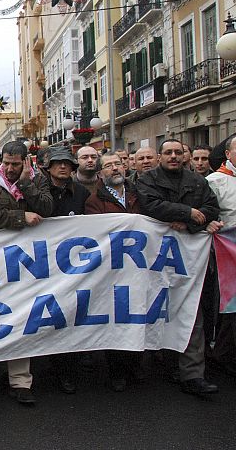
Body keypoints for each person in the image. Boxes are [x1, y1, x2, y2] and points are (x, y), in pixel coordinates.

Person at [137, 139, 222, 397]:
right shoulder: (147, 180)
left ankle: (193, 375)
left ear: (183, 156)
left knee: (190, 314)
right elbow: (151, 206)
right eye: (168, 153)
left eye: (177, 152)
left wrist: (189, 223)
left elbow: (211, 209)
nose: (173, 156)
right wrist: (187, 212)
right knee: (156, 312)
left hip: (188, 261)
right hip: (155, 261)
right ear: (160, 156)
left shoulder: (197, 181)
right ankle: (161, 364)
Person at [0, 140, 53, 405]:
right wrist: (20, 218)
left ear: (25, 163)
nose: (9, 169)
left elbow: (46, 208)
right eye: (6, 163)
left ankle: (21, 381)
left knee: (25, 316)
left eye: (15, 165)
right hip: (1, 263)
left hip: (32, 263)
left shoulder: (37, 181)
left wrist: (25, 183)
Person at [85, 151, 142, 392]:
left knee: (138, 315)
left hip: (137, 265)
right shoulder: (94, 200)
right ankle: (117, 369)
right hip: (111, 268)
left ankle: (136, 366)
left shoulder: (139, 193)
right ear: (100, 173)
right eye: (108, 166)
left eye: (118, 164)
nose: (115, 169)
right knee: (116, 318)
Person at [44, 148, 90, 394]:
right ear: (49, 167)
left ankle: (68, 370)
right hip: (45, 265)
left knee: (71, 315)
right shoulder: (40, 192)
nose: (62, 167)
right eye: (57, 163)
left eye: (67, 164)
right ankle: (52, 364)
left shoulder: (82, 193)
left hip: (73, 266)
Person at [207, 136, 236, 376]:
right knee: (228, 306)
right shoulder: (214, 181)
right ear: (228, 153)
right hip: (226, 255)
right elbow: (208, 215)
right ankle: (223, 354)